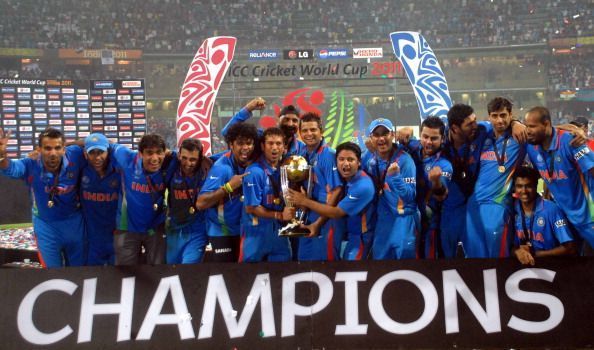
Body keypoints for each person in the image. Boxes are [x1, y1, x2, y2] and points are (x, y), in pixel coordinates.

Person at [0, 127, 86, 268]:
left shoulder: (75, 155)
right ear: (39, 149)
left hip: (74, 224)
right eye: (47, 148)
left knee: (79, 272)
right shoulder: (31, 163)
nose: (53, 153)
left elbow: (92, 144)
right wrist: (2, 155)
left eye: (57, 148)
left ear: (64, 149)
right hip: (46, 227)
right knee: (51, 274)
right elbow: (10, 168)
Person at [288, 142, 375, 260]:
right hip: (351, 234)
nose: (346, 164)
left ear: (359, 162)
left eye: (350, 160)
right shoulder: (347, 178)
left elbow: (336, 212)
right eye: (341, 159)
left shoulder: (363, 186)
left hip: (361, 238)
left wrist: (304, 201)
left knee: (351, 271)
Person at [524, 106, 594, 249]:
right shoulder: (532, 147)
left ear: (546, 124)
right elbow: (541, 176)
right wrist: (541, 194)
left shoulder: (572, 141)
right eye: (526, 126)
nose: (528, 131)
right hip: (564, 215)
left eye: (532, 126)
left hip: (588, 215)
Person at [465, 97, 526, 258]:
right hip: (474, 205)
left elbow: (544, 129)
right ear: (489, 117)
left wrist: (517, 123)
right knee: (474, 257)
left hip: (498, 205)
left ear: (511, 114)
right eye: (495, 115)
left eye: (503, 115)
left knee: (497, 258)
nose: (499, 120)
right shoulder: (482, 135)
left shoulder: (519, 138)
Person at [196, 123, 258, 262]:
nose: (245, 148)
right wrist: (228, 187)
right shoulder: (222, 169)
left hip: (245, 231)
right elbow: (201, 203)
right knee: (226, 277)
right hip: (222, 232)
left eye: (249, 143)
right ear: (231, 144)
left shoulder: (253, 162)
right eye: (240, 143)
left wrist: (248, 110)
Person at [110, 133, 175, 265]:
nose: (155, 158)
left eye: (159, 153)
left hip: (156, 227)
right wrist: (70, 146)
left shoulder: (171, 162)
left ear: (165, 153)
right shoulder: (127, 158)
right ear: (140, 153)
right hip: (126, 227)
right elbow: (106, 144)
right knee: (125, 274)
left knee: (157, 271)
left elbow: (192, 156)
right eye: (149, 153)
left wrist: (205, 160)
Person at [363, 118, 418, 260]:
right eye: (376, 135)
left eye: (385, 133)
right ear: (371, 138)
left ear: (392, 135)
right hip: (382, 221)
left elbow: (410, 195)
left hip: (403, 220)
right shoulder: (369, 158)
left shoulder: (405, 160)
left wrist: (396, 178)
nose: (381, 138)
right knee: (382, 268)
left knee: (407, 269)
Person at [295, 112, 345, 261]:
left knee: (326, 264)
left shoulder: (328, 155)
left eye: (313, 130)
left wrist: (318, 223)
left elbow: (337, 191)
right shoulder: (302, 153)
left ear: (321, 131)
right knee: (304, 261)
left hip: (327, 218)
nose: (309, 134)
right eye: (304, 130)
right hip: (308, 214)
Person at [401, 117, 453, 258]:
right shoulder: (413, 146)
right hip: (409, 220)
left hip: (431, 224)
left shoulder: (444, 164)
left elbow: (441, 195)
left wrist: (436, 182)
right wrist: (402, 133)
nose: (428, 142)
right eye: (425, 137)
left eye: (434, 138)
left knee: (429, 266)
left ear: (442, 139)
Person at [240, 127, 294, 262]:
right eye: (270, 143)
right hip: (256, 234)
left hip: (280, 233)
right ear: (263, 146)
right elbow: (251, 208)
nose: (274, 148)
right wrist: (279, 215)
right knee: (250, 277)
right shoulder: (254, 172)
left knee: (282, 277)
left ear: (284, 147)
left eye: (278, 143)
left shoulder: (286, 170)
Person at [511, 166, 576, 265]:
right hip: (524, 266)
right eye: (519, 186)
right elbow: (510, 247)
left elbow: (570, 247)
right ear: (514, 188)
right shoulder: (512, 209)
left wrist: (538, 254)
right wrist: (517, 252)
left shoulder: (552, 210)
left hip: (553, 266)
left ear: (536, 186)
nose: (524, 191)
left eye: (528, 186)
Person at [165, 138, 210, 264]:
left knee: (189, 269)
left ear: (200, 158)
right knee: (172, 270)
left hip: (197, 230)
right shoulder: (172, 166)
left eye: (193, 159)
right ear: (179, 155)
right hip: (174, 229)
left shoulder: (207, 169)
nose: (187, 163)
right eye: (184, 158)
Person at [80, 133, 119, 266]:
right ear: (86, 154)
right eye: (93, 153)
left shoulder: (119, 170)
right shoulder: (81, 170)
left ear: (108, 151)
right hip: (92, 240)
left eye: (101, 152)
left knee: (118, 281)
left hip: (116, 237)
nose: (97, 157)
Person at [221, 99, 306, 157]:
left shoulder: (302, 148)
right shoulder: (262, 136)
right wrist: (248, 109)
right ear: (278, 120)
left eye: (294, 120)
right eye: (286, 119)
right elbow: (226, 132)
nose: (290, 124)